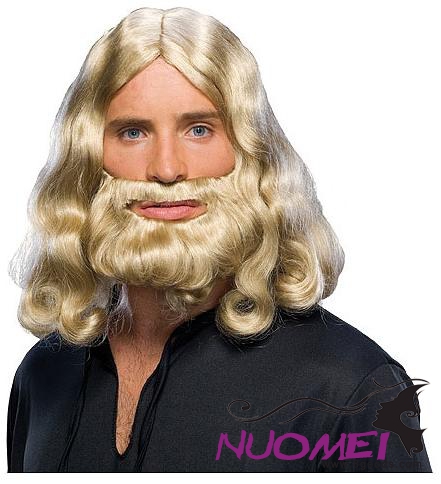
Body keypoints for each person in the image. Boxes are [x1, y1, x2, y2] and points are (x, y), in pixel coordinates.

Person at [7, 6, 431, 473]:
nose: (167, 169)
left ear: (250, 154)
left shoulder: (351, 387)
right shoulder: (44, 375)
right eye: (132, 132)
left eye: (199, 130)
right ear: (88, 157)